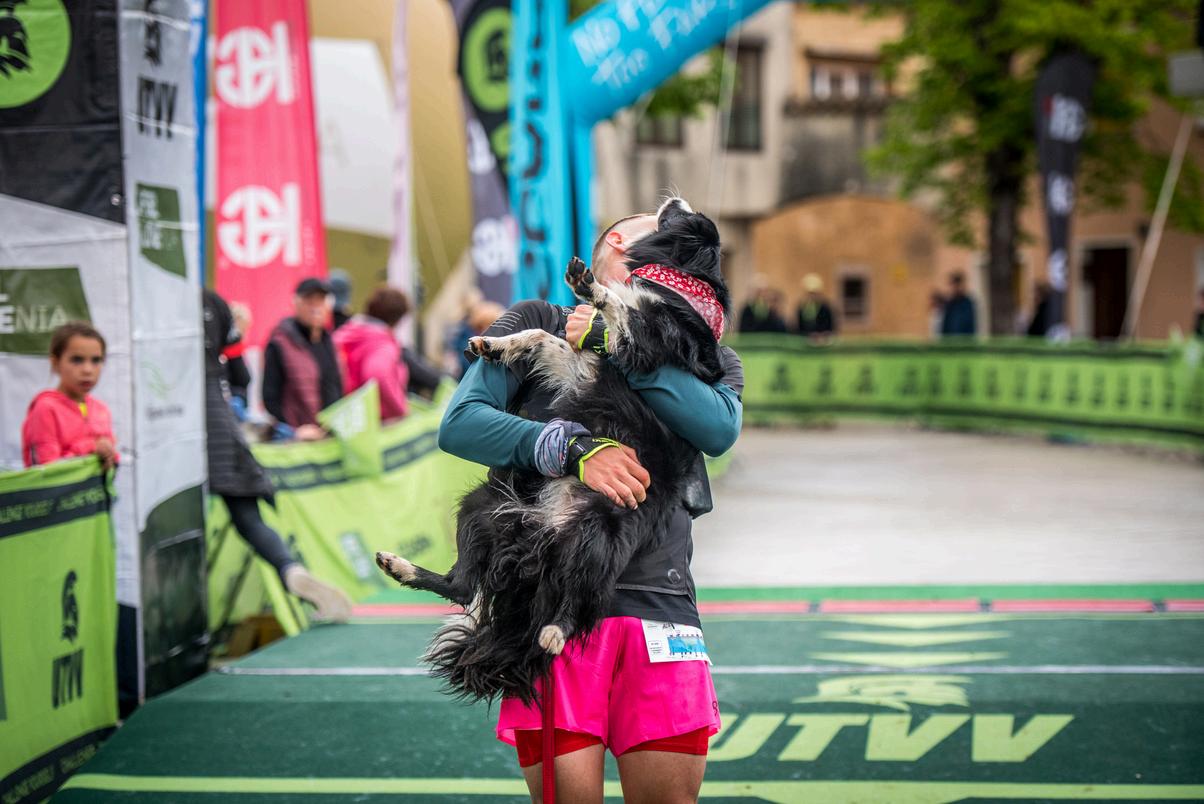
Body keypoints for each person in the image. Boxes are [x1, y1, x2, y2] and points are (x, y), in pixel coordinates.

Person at [438, 209, 743, 802]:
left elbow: (719, 429)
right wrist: (571, 450)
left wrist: (615, 342)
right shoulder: (538, 320)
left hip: (661, 607)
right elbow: (461, 424)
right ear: (617, 246)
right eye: (657, 233)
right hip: (548, 600)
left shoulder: (700, 352)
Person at [203, 290, 352, 621]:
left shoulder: (158, 302)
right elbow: (242, 376)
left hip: (178, 434)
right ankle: (289, 568)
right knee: (249, 519)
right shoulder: (214, 304)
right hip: (222, 430)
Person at [22, 322, 118, 470]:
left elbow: (112, 461)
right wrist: (91, 447)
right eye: (77, 360)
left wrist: (110, 454)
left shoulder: (101, 409)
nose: (88, 370)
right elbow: (47, 471)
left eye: (96, 360)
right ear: (55, 363)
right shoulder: (46, 409)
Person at [262, 277, 344, 438]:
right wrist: (294, 430)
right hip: (299, 440)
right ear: (296, 303)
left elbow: (336, 388)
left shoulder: (329, 342)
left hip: (329, 436)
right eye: (309, 301)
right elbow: (270, 398)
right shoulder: (280, 343)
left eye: (320, 301)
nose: (315, 307)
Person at [333, 285, 411, 421]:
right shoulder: (381, 343)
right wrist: (400, 411)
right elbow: (379, 375)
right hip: (364, 420)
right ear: (397, 318)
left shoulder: (345, 333)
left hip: (339, 415)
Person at [796, 273, 836, 339]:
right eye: (810, 293)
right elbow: (799, 327)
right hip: (805, 340)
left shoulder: (825, 308)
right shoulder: (802, 308)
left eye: (814, 293)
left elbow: (830, 325)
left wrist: (822, 335)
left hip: (823, 340)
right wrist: (808, 334)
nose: (812, 296)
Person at [940, 271, 977, 336]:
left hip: (964, 340)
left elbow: (970, 325)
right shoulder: (949, 304)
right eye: (952, 285)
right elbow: (945, 326)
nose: (954, 288)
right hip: (950, 340)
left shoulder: (968, 303)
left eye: (956, 285)